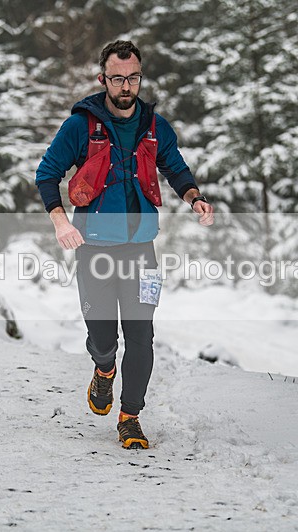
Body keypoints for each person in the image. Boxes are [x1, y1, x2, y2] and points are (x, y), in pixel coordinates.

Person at [35, 40, 214, 449]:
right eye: (117, 78)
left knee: (141, 337)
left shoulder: (156, 127)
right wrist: (60, 221)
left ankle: (130, 417)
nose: (126, 85)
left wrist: (195, 198)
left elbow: (176, 169)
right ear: (103, 79)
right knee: (103, 339)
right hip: (94, 250)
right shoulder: (81, 126)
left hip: (141, 252)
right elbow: (47, 175)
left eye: (132, 77)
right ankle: (103, 369)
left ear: (139, 78)